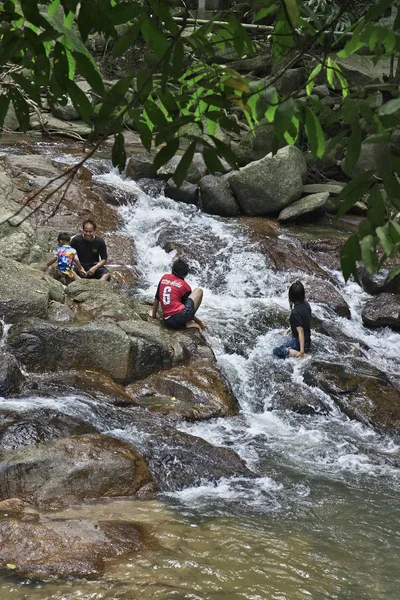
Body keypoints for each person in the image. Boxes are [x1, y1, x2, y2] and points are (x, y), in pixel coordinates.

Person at [149, 258, 206, 331]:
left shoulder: (164, 278)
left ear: (172, 269)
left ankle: (186, 322)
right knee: (199, 291)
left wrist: (153, 314)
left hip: (167, 320)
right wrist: (199, 322)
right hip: (179, 320)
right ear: (185, 274)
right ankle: (187, 323)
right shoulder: (185, 287)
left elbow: (157, 298)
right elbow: (187, 309)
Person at [273, 280, 311, 359]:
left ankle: (302, 355)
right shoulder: (306, 304)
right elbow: (303, 322)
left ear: (291, 296)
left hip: (299, 343)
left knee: (277, 350)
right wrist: (290, 329)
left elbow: (301, 332)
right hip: (308, 341)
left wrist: (302, 351)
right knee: (285, 337)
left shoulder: (295, 312)